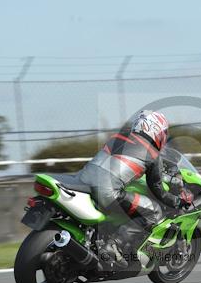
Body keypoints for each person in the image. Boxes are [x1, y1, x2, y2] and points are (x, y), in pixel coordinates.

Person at [79, 110, 193, 269]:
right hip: (107, 192)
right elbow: (157, 189)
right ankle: (114, 244)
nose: (164, 136)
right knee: (154, 211)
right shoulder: (152, 154)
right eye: (163, 133)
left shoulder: (116, 138)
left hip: (82, 182)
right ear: (156, 131)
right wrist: (177, 201)